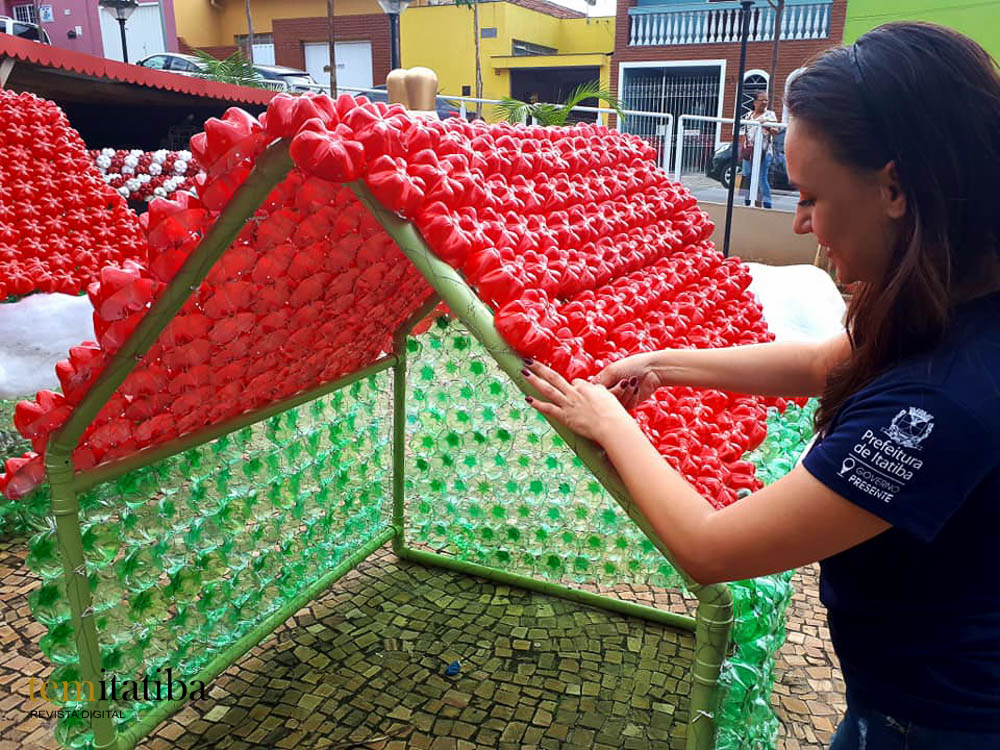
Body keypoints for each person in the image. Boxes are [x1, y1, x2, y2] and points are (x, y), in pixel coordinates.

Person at [521, 21, 1000, 749]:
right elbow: (821, 364)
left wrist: (611, 423)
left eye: (810, 195)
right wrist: (664, 363)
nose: (802, 223)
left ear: (895, 188)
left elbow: (711, 547)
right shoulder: (957, 299)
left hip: (934, 722)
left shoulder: (935, 407)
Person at [740, 90, 779, 208]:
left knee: (762, 177)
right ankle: (749, 201)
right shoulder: (748, 115)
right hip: (749, 151)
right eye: (762, 100)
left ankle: (767, 204)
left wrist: (766, 124)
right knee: (748, 176)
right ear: (755, 102)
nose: (765, 102)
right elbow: (745, 133)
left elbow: (776, 131)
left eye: (766, 100)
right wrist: (743, 148)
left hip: (764, 151)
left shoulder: (770, 115)